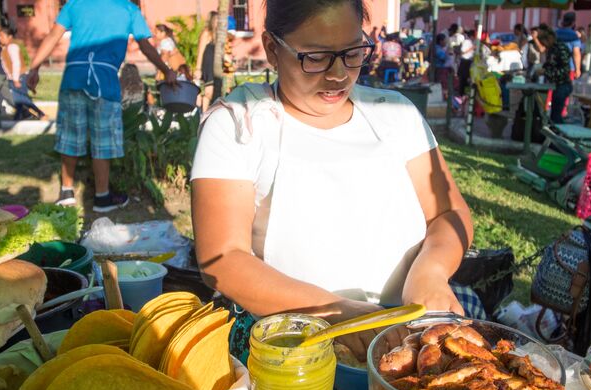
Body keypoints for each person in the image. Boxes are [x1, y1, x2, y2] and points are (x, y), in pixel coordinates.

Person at [191, 0, 477, 363]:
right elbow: (222, 258)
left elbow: (448, 211)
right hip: (298, 338)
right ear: (273, 49)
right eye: (315, 57)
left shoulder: (396, 115)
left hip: (409, 327)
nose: (338, 74)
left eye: (352, 52)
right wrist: (335, 312)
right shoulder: (239, 124)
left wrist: (431, 273)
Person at [26, 0, 175, 212]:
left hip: (73, 78)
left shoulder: (75, 4)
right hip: (105, 82)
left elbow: (52, 37)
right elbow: (145, 46)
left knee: (70, 135)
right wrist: (166, 69)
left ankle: (66, 192)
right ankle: (102, 198)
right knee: (102, 140)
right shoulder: (128, 9)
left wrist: (34, 68)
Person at [0, 27, 45, 120]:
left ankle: (40, 113)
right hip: (13, 78)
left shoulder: (12, 47)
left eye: (2, 36)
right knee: (19, 100)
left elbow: (16, 63)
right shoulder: (6, 48)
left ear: (10, 37)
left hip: (19, 77)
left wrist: (15, 79)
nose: (0, 38)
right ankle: (20, 117)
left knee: (20, 99)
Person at [539, 27, 572, 124]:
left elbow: (565, 70)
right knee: (554, 114)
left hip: (563, 84)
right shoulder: (551, 49)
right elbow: (550, 64)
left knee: (556, 116)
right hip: (556, 85)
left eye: (543, 42)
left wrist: (546, 72)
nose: (543, 45)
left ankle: (560, 135)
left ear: (549, 38)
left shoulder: (561, 48)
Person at [195, 10, 218, 112]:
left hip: (214, 65)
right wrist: (198, 68)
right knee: (208, 91)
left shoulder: (217, 35)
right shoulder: (206, 33)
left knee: (212, 90)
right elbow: (200, 51)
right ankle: (204, 113)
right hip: (207, 65)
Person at [556, 12, 582, 79]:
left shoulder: (555, 33)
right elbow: (576, 53)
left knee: (552, 87)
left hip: (555, 66)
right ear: (573, 22)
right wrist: (578, 69)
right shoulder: (574, 35)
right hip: (569, 67)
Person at [433, 33, 452, 100]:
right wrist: (447, 51)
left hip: (442, 68)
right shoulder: (437, 49)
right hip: (439, 69)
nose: (445, 42)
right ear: (440, 41)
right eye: (444, 40)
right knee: (442, 84)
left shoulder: (439, 48)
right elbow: (442, 57)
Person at [457, 30, 475, 97]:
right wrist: (472, 48)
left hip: (468, 61)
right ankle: (462, 94)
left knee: (467, 80)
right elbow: (463, 52)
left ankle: (466, 94)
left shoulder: (471, 42)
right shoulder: (467, 42)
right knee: (464, 79)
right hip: (465, 61)